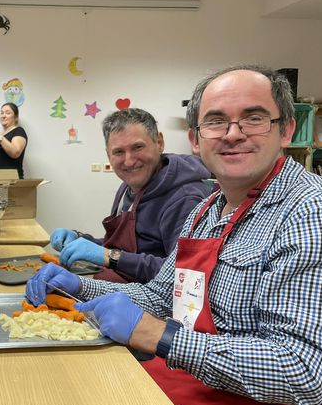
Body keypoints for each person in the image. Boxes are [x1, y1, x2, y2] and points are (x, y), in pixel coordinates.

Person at [28, 65, 322, 405]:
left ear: (286, 130)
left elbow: (304, 372)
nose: (233, 133)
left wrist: (159, 335)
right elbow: (159, 294)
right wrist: (79, 290)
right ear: (196, 139)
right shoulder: (207, 210)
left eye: (254, 118)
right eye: (216, 121)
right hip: (202, 384)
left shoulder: (310, 210)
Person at [51, 108, 211, 284]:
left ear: (159, 142)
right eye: (118, 152)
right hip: (123, 283)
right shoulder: (129, 186)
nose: (129, 161)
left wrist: (108, 256)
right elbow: (126, 246)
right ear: (108, 154)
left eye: (138, 147)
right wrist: (81, 239)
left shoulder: (185, 198)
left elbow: (183, 275)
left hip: (156, 303)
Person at [0, 102, 28, 179]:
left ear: (16, 117)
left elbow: (15, 152)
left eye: (8, 113)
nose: (3, 116)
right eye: (2, 113)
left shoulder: (18, 131)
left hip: (11, 181)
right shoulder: (1, 137)